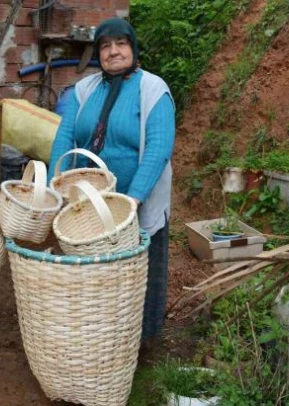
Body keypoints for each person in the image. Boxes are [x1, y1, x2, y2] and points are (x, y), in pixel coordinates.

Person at [47, 17, 176, 343]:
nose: (113, 52)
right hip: (86, 208)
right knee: (94, 277)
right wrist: (54, 186)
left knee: (137, 275)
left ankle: (139, 343)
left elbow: (158, 148)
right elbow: (64, 139)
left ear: (133, 48)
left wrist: (131, 201)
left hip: (135, 205)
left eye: (121, 44)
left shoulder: (153, 89)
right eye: (105, 46)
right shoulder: (84, 89)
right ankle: (97, 339)